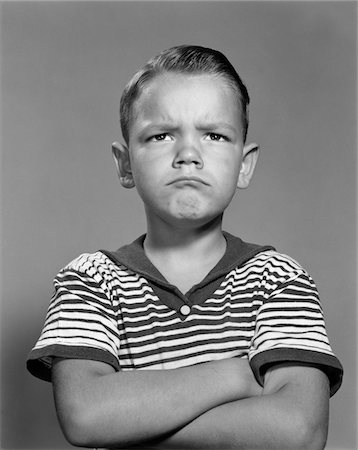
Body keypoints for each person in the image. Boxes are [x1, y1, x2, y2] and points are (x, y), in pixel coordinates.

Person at [27, 45, 343, 450]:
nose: (188, 155)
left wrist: (133, 426)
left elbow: (299, 431)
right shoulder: (90, 280)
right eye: (161, 135)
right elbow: (87, 416)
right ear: (125, 164)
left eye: (214, 135)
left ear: (244, 164)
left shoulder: (280, 279)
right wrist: (234, 375)